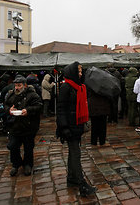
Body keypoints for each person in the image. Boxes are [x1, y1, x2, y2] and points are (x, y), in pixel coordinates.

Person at [56, 61, 96, 197]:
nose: (80, 74)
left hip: (77, 126)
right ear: (72, 72)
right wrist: (64, 127)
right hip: (70, 127)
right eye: (78, 71)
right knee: (76, 155)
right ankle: (81, 184)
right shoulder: (66, 87)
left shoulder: (79, 87)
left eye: (81, 71)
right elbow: (60, 109)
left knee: (73, 154)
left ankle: (72, 179)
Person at [4, 75, 43, 176]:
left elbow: (39, 106)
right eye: (16, 85)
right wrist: (9, 110)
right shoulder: (11, 94)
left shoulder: (32, 94)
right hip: (14, 126)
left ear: (24, 85)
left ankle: (27, 165)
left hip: (28, 126)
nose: (17, 87)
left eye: (19, 85)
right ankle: (16, 164)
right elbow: (5, 105)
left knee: (28, 147)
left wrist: (28, 110)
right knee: (12, 146)